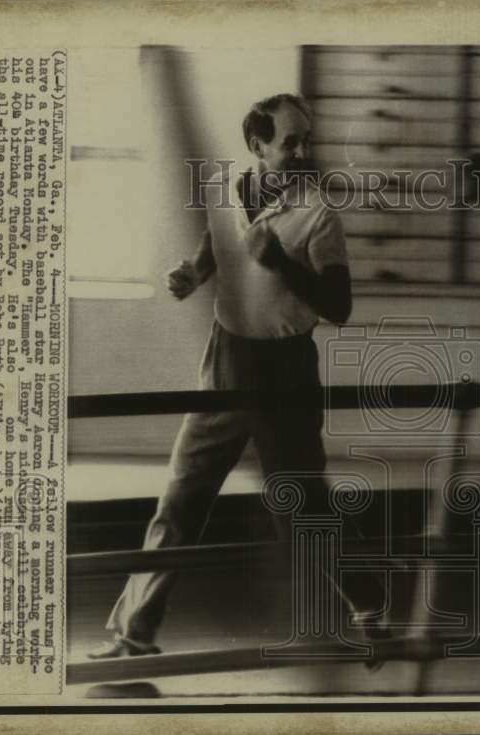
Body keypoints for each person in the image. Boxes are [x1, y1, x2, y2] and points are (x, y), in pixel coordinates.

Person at [87, 93, 385, 660]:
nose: (302, 151)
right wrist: (193, 273)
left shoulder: (319, 215)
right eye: (289, 141)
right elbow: (220, 242)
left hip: (286, 369)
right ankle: (134, 635)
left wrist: (281, 263)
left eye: (306, 140)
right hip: (225, 360)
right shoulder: (227, 186)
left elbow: (339, 306)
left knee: (300, 507)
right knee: (180, 498)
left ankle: (369, 603)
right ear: (258, 146)